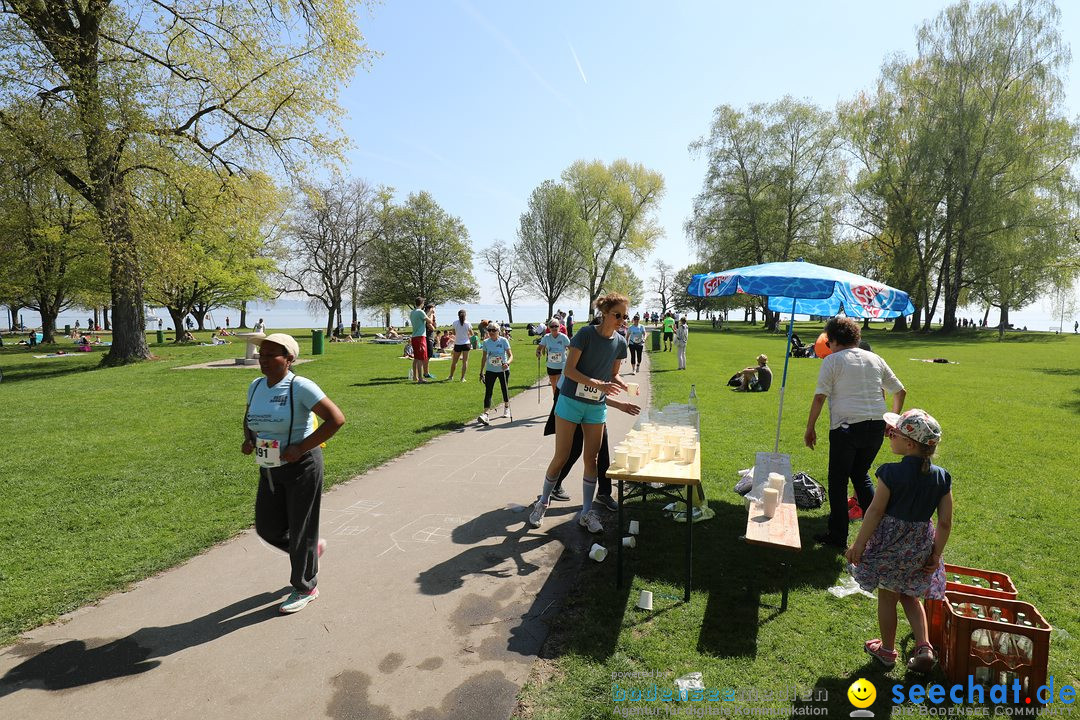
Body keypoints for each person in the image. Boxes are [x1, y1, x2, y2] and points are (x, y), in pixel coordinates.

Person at [242, 333, 345, 613]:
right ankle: (309, 551)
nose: (262, 359)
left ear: (289, 359)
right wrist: (249, 438)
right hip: (270, 466)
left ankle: (305, 587)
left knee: (302, 529)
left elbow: (336, 419)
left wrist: (300, 447)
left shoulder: (300, 386)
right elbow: (250, 417)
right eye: (260, 354)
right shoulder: (255, 386)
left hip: (302, 466)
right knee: (267, 527)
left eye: (270, 355)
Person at [846, 409, 952, 674]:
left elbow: (875, 511)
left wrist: (859, 544)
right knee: (911, 597)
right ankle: (924, 647)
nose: (889, 436)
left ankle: (887, 650)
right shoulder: (941, 476)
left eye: (893, 433)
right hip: (920, 547)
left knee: (888, 594)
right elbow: (945, 522)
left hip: (890, 546)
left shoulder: (890, 473)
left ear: (908, 443)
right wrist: (935, 555)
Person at [528, 292, 630, 534]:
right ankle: (543, 502)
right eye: (618, 315)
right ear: (604, 313)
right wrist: (599, 384)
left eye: (625, 316)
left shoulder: (621, 342)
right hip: (570, 402)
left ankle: (586, 512)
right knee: (562, 455)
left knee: (591, 459)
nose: (622, 320)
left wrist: (622, 383)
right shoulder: (585, 334)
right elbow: (570, 370)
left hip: (596, 406)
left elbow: (613, 374)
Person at [804, 316, 906, 550]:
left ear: (834, 340)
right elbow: (900, 392)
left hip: (846, 427)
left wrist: (810, 428)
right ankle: (879, 533)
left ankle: (837, 536)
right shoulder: (876, 359)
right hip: (876, 426)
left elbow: (820, 397)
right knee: (860, 475)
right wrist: (892, 421)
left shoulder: (832, 361)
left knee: (838, 481)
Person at [544, 389, 639, 507]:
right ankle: (550, 491)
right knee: (570, 452)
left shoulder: (601, 372)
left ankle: (602, 494)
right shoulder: (575, 373)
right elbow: (587, 390)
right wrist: (618, 403)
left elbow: (597, 390)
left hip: (594, 407)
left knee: (599, 451)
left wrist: (620, 386)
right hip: (573, 404)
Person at [477, 324, 513, 424]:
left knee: (504, 389)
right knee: (488, 391)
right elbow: (484, 358)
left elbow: (511, 356)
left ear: (498, 331)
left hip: (503, 370)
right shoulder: (486, 342)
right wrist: (481, 372)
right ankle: (485, 414)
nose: (491, 332)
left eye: (493, 330)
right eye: (489, 330)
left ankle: (506, 408)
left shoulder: (503, 340)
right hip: (490, 370)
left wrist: (507, 363)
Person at [536, 318, 571, 398]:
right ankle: (556, 403)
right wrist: (538, 352)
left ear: (559, 327)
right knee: (554, 387)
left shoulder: (563, 337)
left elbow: (571, 349)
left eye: (556, 326)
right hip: (551, 366)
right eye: (552, 326)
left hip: (561, 366)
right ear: (549, 328)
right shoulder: (546, 337)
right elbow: (539, 348)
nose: (554, 328)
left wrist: (570, 360)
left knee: (559, 387)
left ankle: (558, 404)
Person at [409, 297, 429, 384]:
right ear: (421, 303)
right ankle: (420, 378)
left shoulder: (412, 312)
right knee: (421, 358)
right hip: (420, 337)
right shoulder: (420, 312)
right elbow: (429, 321)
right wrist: (431, 312)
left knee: (416, 358)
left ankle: (415, 376)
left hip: (414, 337)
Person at [449, 309, 472, 382]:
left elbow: (454, 333)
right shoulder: (468, 323)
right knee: (465, 362)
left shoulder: (455, 323)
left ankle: (451, 376)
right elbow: (471, 334)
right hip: (466, 344)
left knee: (454, 362)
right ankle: (462, 378)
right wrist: (467, 334)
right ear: (465, 315)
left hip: (458, 344)